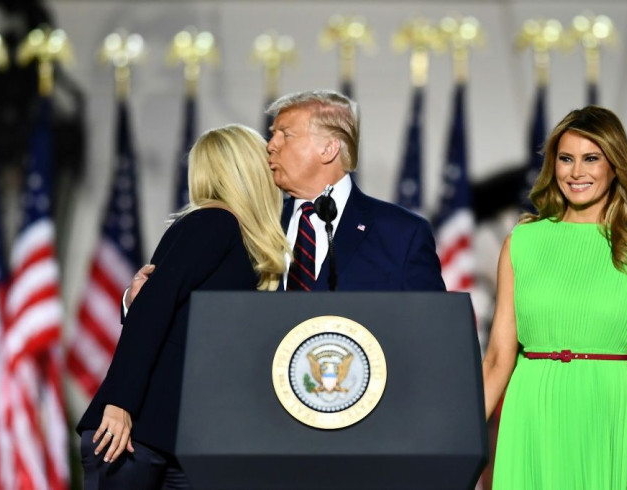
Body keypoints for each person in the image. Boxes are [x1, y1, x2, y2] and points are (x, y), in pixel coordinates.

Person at [482, 106, 627, 489]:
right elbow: (496, 360)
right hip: (532, 417)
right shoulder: (521, 243)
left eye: (591, 159)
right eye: (566, 159)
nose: (577, 172)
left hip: (611, 416)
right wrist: (462, 447)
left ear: (615, 165)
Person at [76, 124, 288, 489]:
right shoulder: (214, 221)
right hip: (132, 433)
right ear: (248, 171)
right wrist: (120, 403)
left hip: (183, 441)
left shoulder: (244, 243)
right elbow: (154, 309)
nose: (275, 169)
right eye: (266, 161)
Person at [126, 89, 444, 304]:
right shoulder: (247, 226)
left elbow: (433, 331)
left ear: (328, 148)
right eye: (272, 134)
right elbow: (201, 312)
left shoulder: (401, 234)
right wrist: (137, 303)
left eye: (285, 135)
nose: (271, 145)